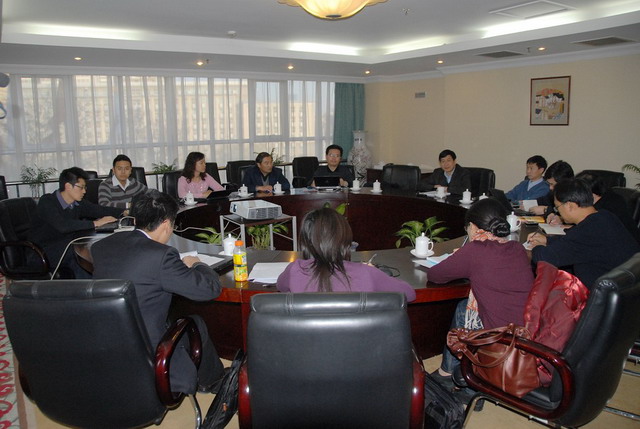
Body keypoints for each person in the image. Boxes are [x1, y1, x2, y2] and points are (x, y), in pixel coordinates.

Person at [91, 190, 225, 394]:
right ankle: (214, 381)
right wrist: (197, 264)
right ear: (166, 224)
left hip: (106, 343)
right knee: (195, 322)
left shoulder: (102, 246)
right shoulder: (162, 256)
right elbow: (210, 289)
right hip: (148, 351)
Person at [427, 198, 534, 379]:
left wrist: (461, 257)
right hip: (527, 335)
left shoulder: (475, 250)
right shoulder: (517, 248)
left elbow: (435, 275)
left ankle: (451, 373)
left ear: (474, 227)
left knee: (464, 308)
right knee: (463, 307)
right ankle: (449, 370)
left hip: (500, 345)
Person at [277, 207, 416, 301]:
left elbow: (280, 286)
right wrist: (376, 273)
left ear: (306, 241)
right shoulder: (366, 273)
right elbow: (409, 294)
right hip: (360, 338)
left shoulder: (295, 269)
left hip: (307, 338)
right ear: (345, 239)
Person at [528, 178, 640, 289]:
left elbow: (543, 258)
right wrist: (547, 240)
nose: (558, 212)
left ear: (569, 205)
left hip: (599, 295)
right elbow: (572, 241)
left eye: (557, 208)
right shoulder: (604, 216)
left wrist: (537, 246)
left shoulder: (588, 230)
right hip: (627, 291)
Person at [28, 167, 123, 278]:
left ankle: (95, 284)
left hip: (66, 246)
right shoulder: (47, 202)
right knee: (80, 251)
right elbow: (63, 225)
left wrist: (124, 212)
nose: (84, 191)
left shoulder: (76, 203)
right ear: (68, 186)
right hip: (41, 252)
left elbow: (98, 210)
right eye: (81, 187)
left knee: (85, 252)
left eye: (85, 187)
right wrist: (95, 223)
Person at [574, 172, 640, 243]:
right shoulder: (607, 196)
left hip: (626, 244)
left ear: (588, 193)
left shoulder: (608, 207)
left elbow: (592, 231)